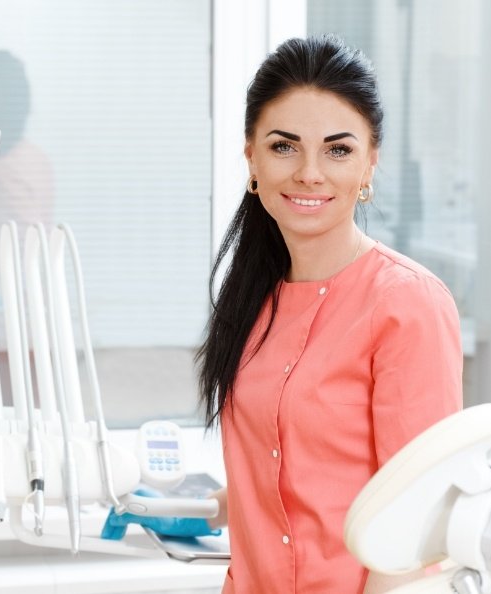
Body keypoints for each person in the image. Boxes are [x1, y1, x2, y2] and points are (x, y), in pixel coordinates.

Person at [102, 35, 463, 593]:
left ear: (370, 164)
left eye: (338, 150)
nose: (310, 173)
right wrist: (186, 509)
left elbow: (417, 529)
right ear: (251, 155)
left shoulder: (406, 304)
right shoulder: (253, 299)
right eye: (284, 146)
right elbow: (286, 481)